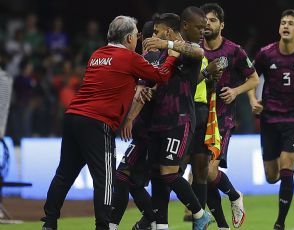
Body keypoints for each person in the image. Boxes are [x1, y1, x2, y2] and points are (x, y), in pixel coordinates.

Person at [40, 15, 179, 230]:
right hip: (97, 122)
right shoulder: (129, 58)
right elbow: (160, 76)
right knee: (105, 180)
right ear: (129, 38)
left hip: (73, 117)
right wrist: (171, 55)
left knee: (64, 174)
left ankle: (49, 223)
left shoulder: (96, 55)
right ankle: (103, 227)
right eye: (136, 35)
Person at [250, 9, 294, 230]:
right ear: (279, 28)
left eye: (291, 23)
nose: (286, 26)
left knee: (287, 164)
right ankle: (284, 183)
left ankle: (280, 222)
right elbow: (251, 77)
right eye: (283, 23)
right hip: (270, 119)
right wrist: (253, 100)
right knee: (272, 176)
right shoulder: (266, 54)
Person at [141, 7, 211, 230]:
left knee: (169, 172)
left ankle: (200, 213)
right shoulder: (162, 53)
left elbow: (198, 53)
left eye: (159, 32)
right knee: (156, 176)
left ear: (171, 32)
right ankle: (160, 226)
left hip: (179, 121)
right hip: (158, 121)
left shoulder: (190, 48)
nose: (202, 31)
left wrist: (166, 44)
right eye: (199, 27)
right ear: (186, 25)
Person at [199, 3, 260, 229]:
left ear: (222, 25)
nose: (207, 23)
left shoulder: (234, 51)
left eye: (212, 20)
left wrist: (235, 91)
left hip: (222, 118)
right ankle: (223, 225)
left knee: (209, 170)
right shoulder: (195, 48)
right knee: (202, 174)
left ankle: (234, 196)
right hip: (198, 117)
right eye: (204, 20)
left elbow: (253, 79)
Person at [109, 20, 159, 230]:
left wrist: (129, 117)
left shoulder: (149, 58)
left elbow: (141, 91)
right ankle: (152, 222)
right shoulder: (156, 59)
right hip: (150, 130)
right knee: (134, 182)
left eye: (139, 35)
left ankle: (113, 225)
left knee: (123, 176)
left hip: (147, 131)